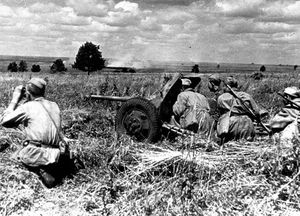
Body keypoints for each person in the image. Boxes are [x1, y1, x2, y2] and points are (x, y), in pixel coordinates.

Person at [0, 77, 75, 188]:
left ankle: (42, 170)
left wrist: (15, 99)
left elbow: (5, 122)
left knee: (14, 157)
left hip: (36, 153)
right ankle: (54, 168)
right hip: (57, 153)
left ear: (28, 93)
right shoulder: (54, 105)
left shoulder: (28, 107)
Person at [216, 76, 261, 143]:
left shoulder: (221, 98)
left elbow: (220, 114)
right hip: (247, 123)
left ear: (226, 87)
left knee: (229, 145)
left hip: (230, 122)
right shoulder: (246, 96)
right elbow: (256, 112)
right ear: (236, 85)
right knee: (246, 145)